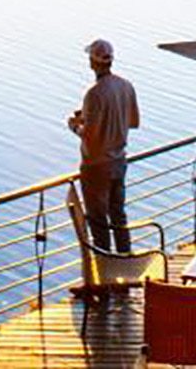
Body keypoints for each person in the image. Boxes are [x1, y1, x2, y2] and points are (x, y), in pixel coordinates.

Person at [68, 39, 139, 253]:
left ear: (93, 62)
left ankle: (104, 274)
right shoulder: (126, 86)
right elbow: (133, 122)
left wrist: (74, 126)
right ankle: (125, 266)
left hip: (97, 166)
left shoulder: (94, 93)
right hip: (119, 162)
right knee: (118, 217)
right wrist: (96, 118)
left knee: (98, 222)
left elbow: (90, 137)